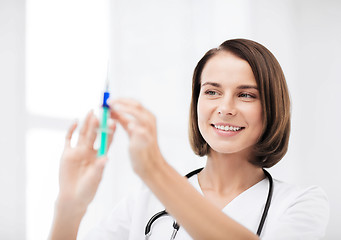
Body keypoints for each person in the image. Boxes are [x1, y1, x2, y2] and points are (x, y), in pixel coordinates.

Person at [49, 39, 329, 240]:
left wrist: (155, 170)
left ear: (272, 107)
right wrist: (69, 207)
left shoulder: (301, 204)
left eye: (246, 95)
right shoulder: (142, 205)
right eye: (211, 92)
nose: (226, 108)